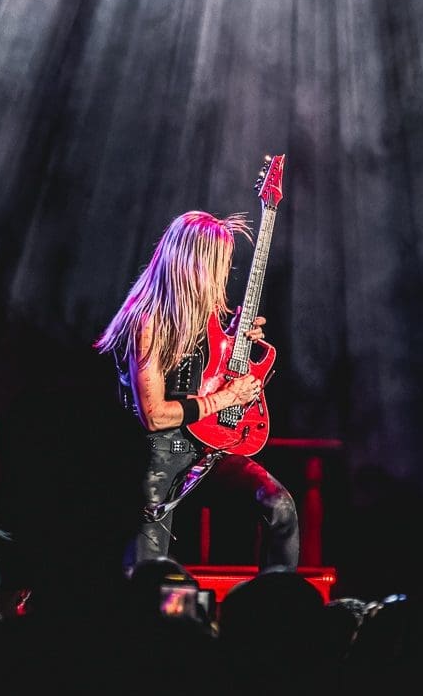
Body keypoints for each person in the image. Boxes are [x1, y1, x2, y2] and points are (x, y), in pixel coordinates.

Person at [94, 209, 300, 572]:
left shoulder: (205, 318)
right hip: (152, 458)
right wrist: (227, 397)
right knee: (147, 576)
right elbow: (154, 414)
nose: (225, 274)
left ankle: (275, 612)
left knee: (279, 507)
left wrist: (234, 342)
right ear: (194, 264)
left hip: (204, 451)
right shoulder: (148, 321)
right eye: (220, 263)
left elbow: (206, 377)